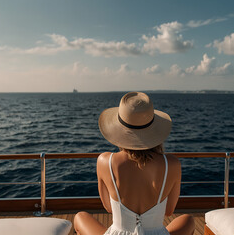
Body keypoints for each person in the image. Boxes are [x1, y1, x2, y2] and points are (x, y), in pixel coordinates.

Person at [74, 92, 195, 235]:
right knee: (189, 220)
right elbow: (169, 211)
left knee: (79, 217)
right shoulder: (172, 164)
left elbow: (109, 207)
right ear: (154, 129)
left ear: (119, 129)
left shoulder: (105, 161)